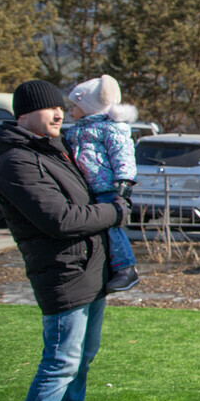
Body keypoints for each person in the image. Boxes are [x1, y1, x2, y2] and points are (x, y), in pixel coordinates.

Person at [0, 79, 130, 401]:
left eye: (61, 106)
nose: (59, 112)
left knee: (81, 360)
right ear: (24, 115)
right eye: (50, 107)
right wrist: (116, 212)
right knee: (61, 363)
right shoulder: (15, 160)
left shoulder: (54, 148)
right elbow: (61, 219)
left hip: (90, 270)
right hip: (63, 276)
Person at [65, 74, 140, 292]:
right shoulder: (79, 130)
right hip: (89, 188)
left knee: (112, 228)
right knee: (99, 230)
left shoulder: (110, 128)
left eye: (75, 105)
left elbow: (123, 155)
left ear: (88, 105)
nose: (70, 110)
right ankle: (109, 266)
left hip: (107, 188)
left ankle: (126, 268)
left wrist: (124, 183)